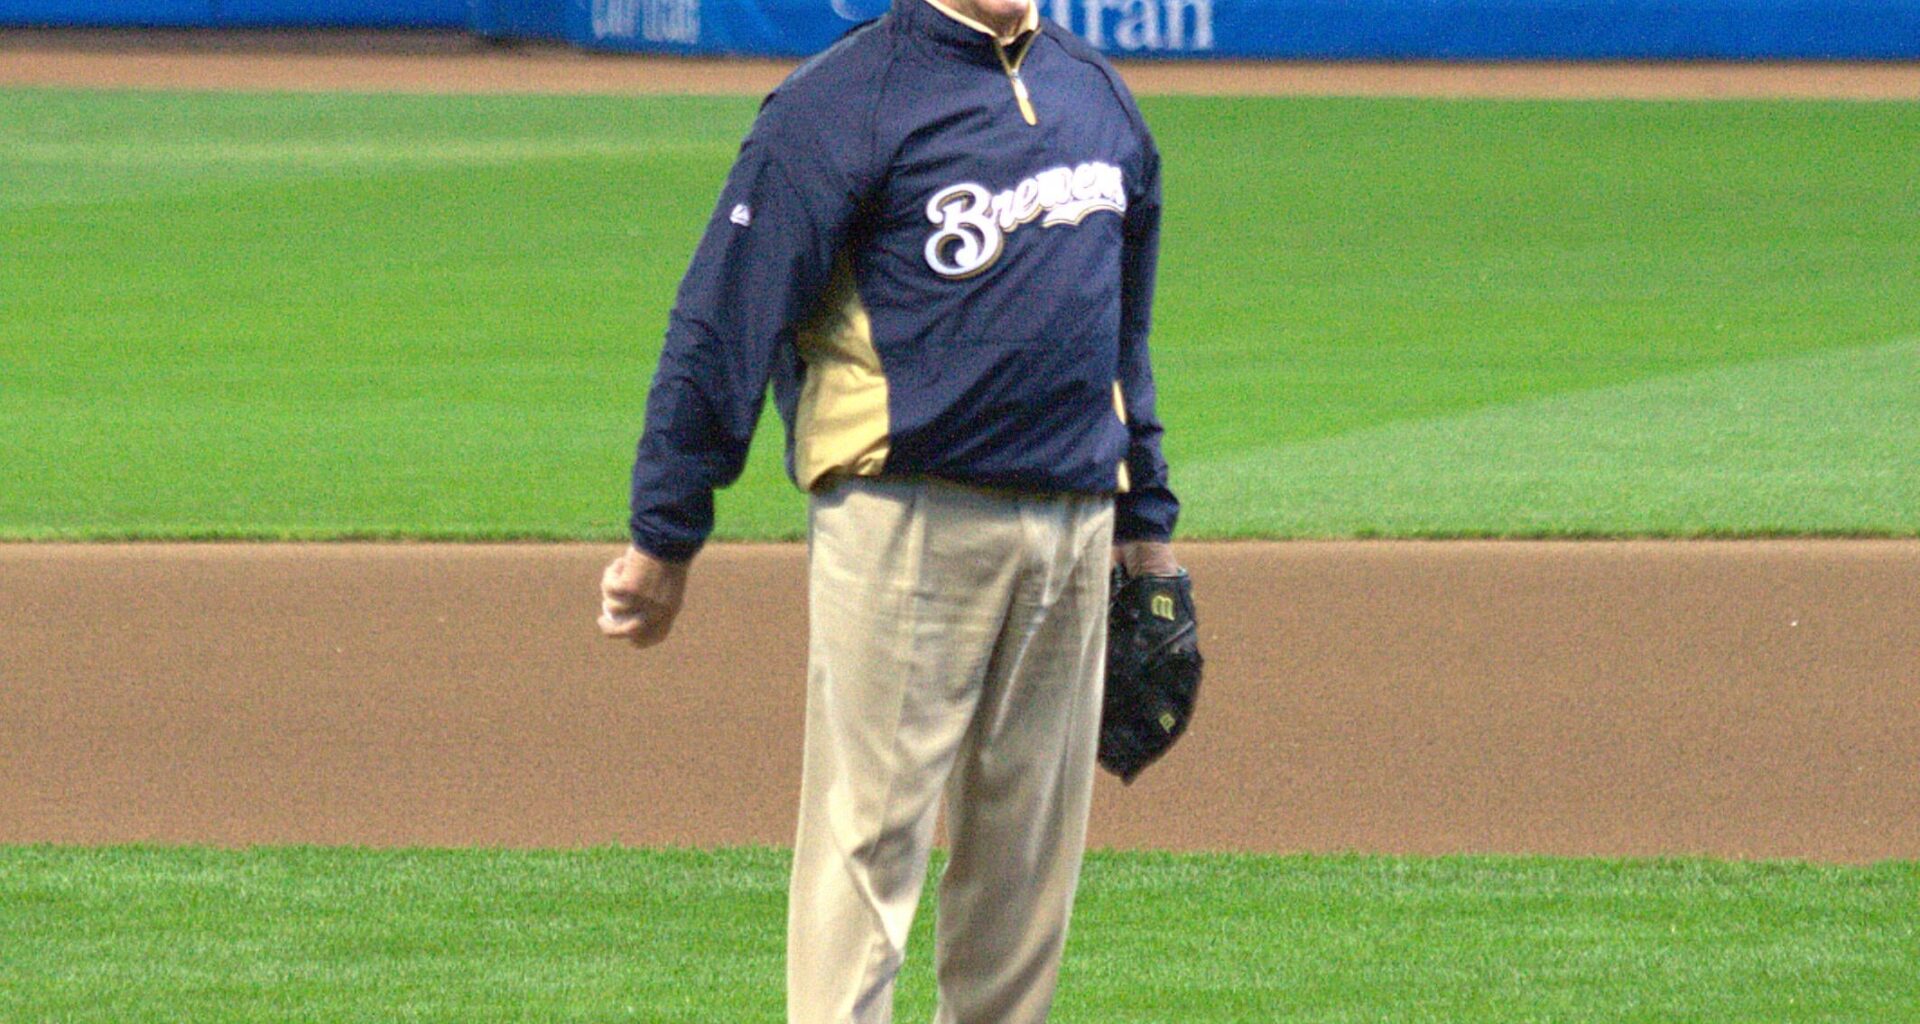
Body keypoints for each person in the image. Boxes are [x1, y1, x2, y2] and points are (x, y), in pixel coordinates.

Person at [599, 0, 1179, 1018]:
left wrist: (1148, 532)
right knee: (868, 849)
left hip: (1076, 528)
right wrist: (665, 530)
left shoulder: (1097, 98)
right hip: (908, 518)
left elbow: (1121, 345)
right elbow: (722, 320)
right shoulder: (840, 101)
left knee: (1027, 870)